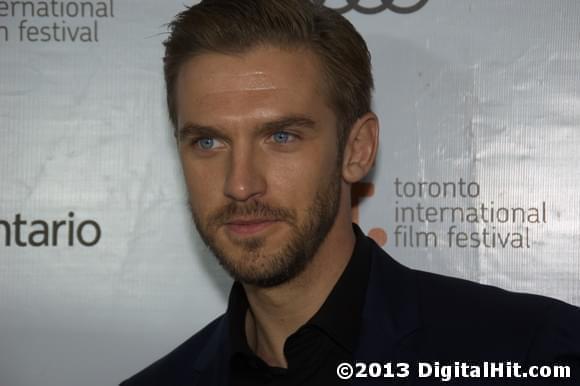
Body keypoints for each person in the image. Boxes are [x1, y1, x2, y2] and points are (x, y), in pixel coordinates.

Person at [121, 1, 580, 385]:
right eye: (208, 142)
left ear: (357, 149)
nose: (240, 184)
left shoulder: (534, 352)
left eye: (281, 136)